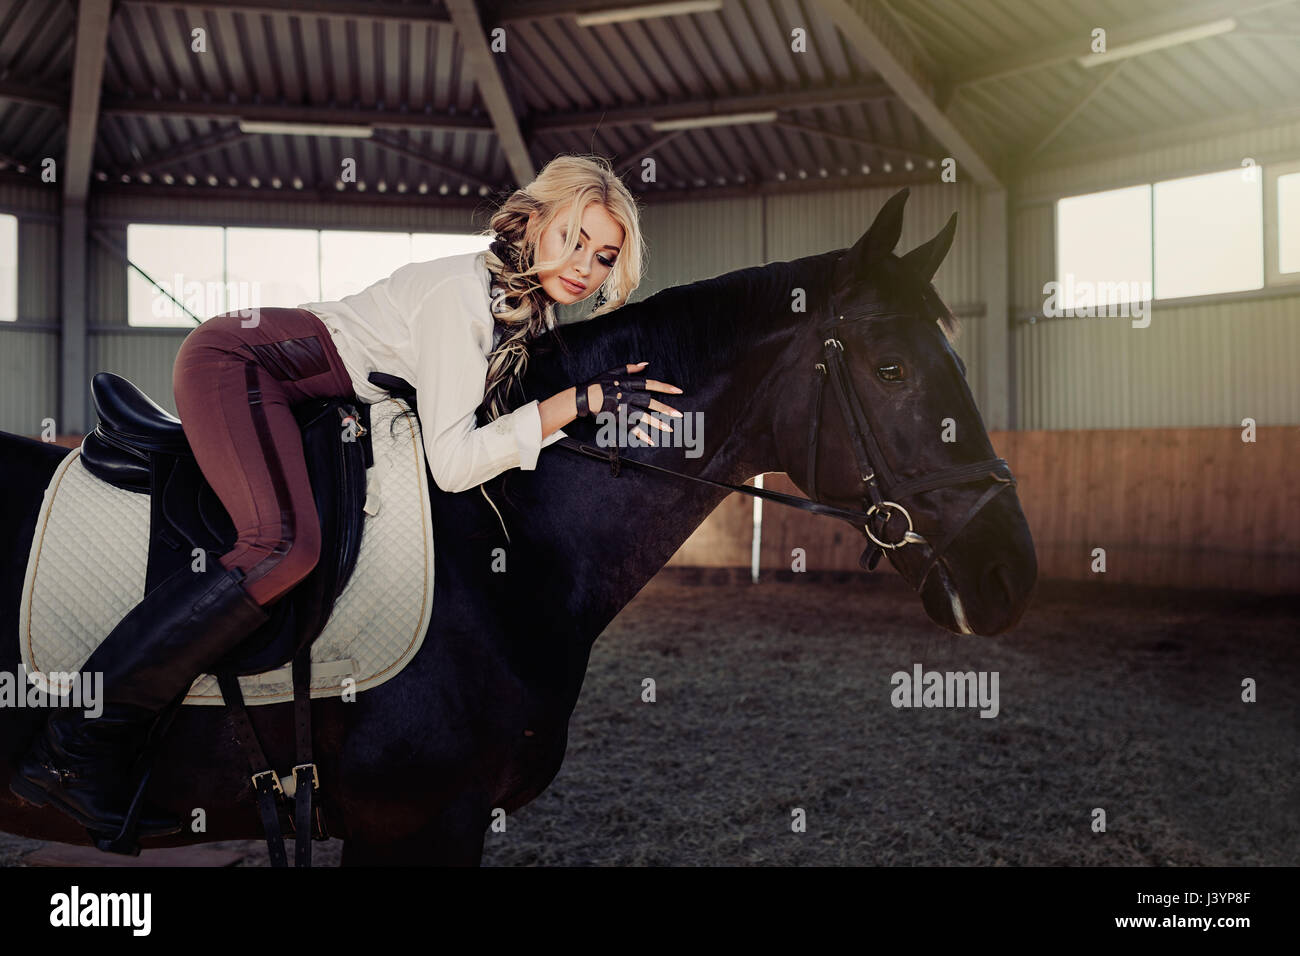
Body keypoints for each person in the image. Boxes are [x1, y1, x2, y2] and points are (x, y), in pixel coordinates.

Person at [9, 153, 685, 848]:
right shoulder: (467, 297)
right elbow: (453, 464)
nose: (585, 266)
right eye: (574, 238)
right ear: (535, 221)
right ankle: (74, 745)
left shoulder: (523, 312)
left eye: (604, 257)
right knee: (281, 547)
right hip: (239, 364)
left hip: (292, 385)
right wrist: (573, 403)